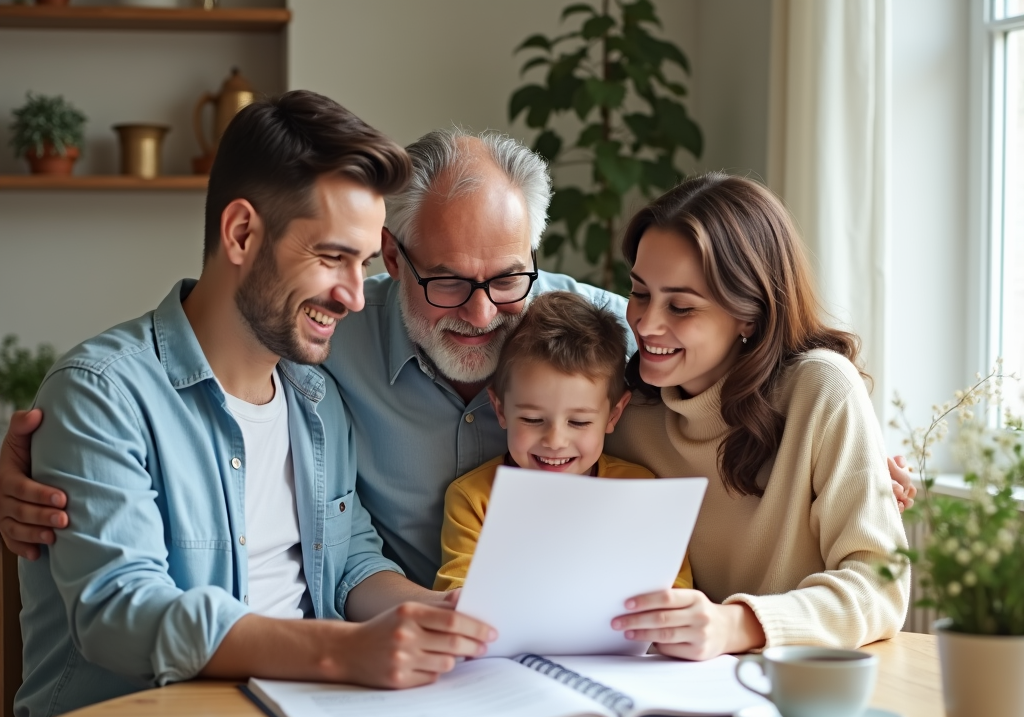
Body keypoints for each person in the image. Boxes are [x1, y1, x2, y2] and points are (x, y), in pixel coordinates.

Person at [0, 130, 916, 633]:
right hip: (398, 662)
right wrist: (34, 456)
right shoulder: (325, 347)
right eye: (443, 283)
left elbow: (734, 357)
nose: (481, 312)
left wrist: (862, 448)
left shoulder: (612, 336)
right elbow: (175, 377)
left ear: (537, 262)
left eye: (507, 279)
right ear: (394, 258)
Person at [13, 92, 494, 717]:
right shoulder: (102, 394)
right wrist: (345, 652)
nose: (355, 295)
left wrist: (437, 612)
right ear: (241, 233)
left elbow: (349, 560)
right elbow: (119, 611)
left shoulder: (318, 400)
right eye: (331, 258)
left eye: (364, 264)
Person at [605, 173, 911, 660]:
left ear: (748, 314)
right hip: (663, 691)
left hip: (793, 690)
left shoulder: (820, 389)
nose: (646, 323)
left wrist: (737, 625)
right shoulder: (626, 414)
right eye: (640, 292)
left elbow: (881, 586)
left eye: (680, 306)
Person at [433, 291, 691, 592]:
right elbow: (456, 595)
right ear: (500, 409)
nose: (555, 441)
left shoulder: (641, 492)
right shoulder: (474, 499)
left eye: (579, 422)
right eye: (532, 419)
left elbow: (675, 590)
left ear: (613, 415)